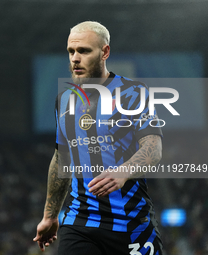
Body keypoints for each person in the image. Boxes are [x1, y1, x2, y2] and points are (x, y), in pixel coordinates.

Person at [33, 21, 163, 254]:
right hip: (79, 223)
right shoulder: (63, 100)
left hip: (130, 223)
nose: (75, 58)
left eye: (84, 51)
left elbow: (153, 147)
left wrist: (123, 171)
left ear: (105, 52)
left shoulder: (133, 93)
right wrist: (50, 216)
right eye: (71, 51)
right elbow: (62, 158)